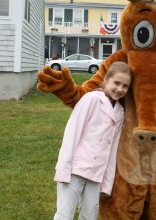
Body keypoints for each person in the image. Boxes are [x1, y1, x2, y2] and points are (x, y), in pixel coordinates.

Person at [53, 61, 132, 220]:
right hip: (75, 169)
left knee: (90, 215)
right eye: (116, 83)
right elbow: (72, 134)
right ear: (107, 79)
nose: (120, 89)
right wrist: (64, 169)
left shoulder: (120, 112)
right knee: (64, 214)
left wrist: (107, 183)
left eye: (125, 86)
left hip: (97, 174)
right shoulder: (91, 99)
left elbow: (112, 149)